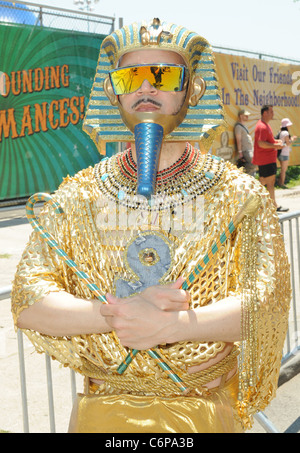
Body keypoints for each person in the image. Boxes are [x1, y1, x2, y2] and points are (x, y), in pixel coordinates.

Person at [11, 19, 291, 433]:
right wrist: (120, 316)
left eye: (162, 76)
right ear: (114, 90)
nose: (146, 88)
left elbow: (265, 302)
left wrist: (176, 326)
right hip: (102, 414)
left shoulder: (238, 194)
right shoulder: (79, 193)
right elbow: (28, 301)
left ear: (191, 89)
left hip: (201, 413)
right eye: (131, 76)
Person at [252, 105, 288, 212]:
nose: (273, 114)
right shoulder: (262, 126)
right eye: (271, 112)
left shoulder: (265, 125)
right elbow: (261, 143)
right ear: (265, 113)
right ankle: (272, 206)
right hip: (266, 160)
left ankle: (261, 204)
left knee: (264, 181)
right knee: (269, 182)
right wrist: (276, 146)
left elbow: (269, 141)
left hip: (268, 160)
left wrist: (277, 142)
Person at [234, 109, 256, 176]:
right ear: (241, 116)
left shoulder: (244, 126)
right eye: (245, 115)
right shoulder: (238, 127)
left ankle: (251, 182)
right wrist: (240, 152)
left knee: (252, 166)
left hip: (249, 149)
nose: (247, 117)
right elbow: (238, 140)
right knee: (252, 165)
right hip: (245, 150)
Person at [277, 118, 297, 188]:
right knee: (284, 170)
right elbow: (288, 143)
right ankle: (282, 184)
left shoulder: (281, 132)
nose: (290, 126)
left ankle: (280, 182)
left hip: (280, 153)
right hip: (284, 153)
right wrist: (293, 139)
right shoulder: (286, 133)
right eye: (289, 125)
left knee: (282, 169)